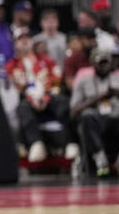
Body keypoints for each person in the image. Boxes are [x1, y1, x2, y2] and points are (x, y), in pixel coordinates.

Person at [70, 48, 119, 177]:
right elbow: (73, 111)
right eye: (100, 62)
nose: (104, 66)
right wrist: (99, 98)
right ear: (92, 63)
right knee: (87, 115)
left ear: (111, 63)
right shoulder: (83, 81)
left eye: (106, 62)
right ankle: (101, 161)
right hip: (98, 121)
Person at [6, 28, 76, 162]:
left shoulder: (46, 60)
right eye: (21, 39)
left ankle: (70, 143)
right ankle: (36, 144)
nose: (25, 41)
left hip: (47, 96)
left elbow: (56, 79)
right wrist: (31, 98)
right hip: (26, 99)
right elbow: (12, 88)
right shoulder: (11, 65)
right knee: (22, 107)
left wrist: (46, 96)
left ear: (32, 41)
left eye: (28, 38)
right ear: (15, 43)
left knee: (62, 101)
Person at [63, 28, 97, 93]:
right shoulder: (71, 59)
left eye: (94, 38)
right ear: (81, 40)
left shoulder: (99, 56)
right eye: (89, 38)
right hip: (80, 94)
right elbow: (70, 84)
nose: (92, 42)